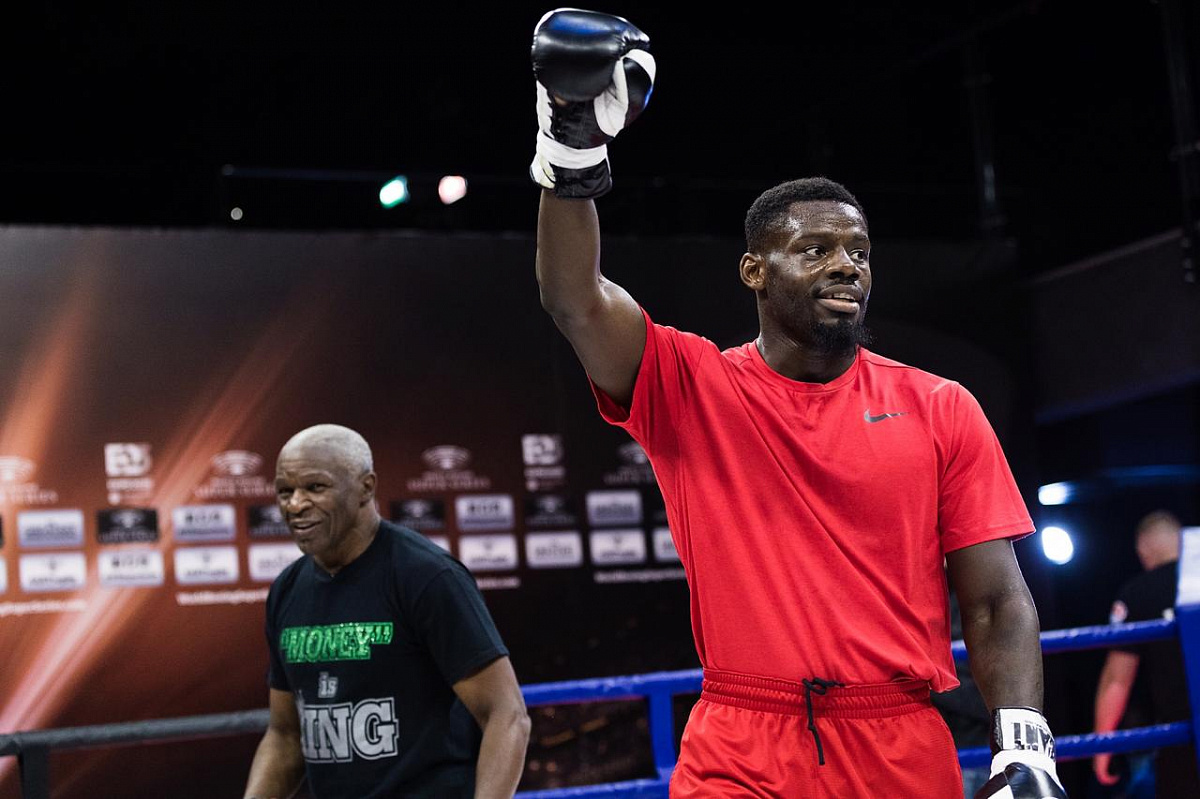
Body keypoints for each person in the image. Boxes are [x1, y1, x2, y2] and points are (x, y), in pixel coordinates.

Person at [529, 8, 1065, 798]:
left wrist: (1024, 745)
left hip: (899, 742)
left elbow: (994, 600)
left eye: (859, 252)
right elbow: (574, 299)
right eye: (816, 249)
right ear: (755, 270)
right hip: (743, 745)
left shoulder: (940, 405)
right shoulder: (693, 386)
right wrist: (572, 146)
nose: (847, 265)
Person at [243, 424, 530, 799]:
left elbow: (507, 717)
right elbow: (285, 736)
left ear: (366, 487)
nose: (295, 504)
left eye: (315, 487)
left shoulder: (425, 575)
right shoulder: (287, 589)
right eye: (285, 491)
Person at [1092, 510, 1199, 798]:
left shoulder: (1138, 591)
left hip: (1181, 735)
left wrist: (1103, 745)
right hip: (1179, 734)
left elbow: (1118, 679)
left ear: (1143, 546)